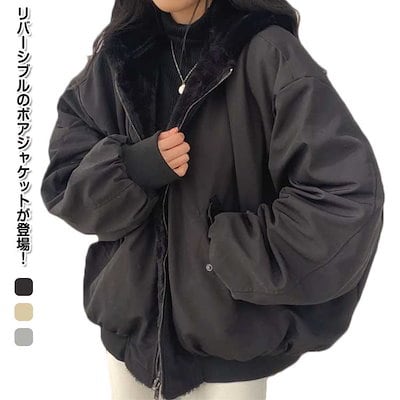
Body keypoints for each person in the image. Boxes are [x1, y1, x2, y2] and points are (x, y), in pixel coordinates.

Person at [40, 0, 385, 399]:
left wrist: (228, 251)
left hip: (231, 343)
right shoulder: (120, 56)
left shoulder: (267, 53)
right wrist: (132, 169)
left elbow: (345, 194)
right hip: (128, 336)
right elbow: (65, 179)